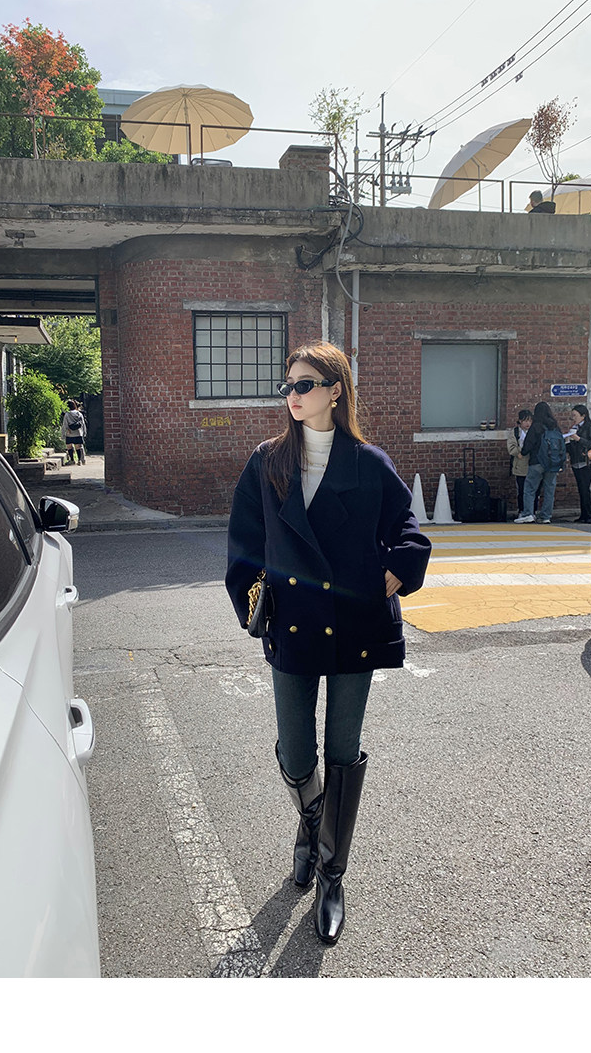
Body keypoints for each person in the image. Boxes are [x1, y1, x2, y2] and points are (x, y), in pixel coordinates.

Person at [225, 341, 431, 944]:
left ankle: (332, 874)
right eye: (287, 385)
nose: (292, 395)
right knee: (296, 753)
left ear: (335, 391)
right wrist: (252, 599)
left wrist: (399, 567)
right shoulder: (267, 461)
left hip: (354, 624)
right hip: (291, 622)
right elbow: (243, 541)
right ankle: (314, 831)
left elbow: (406, 526)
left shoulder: (368, 462)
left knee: (343, 751)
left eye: (304, 384)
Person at [514, 401, 565, 523]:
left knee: (530, 488)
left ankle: (528, 513)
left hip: (537, 462)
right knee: (549, 490)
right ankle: (546, 516)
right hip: (552, 463)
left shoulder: (536, 426)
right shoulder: (555, 427)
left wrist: (523, 453)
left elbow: (529, 444)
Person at [565, 403, 591, 522]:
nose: (573, 418)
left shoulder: (589, 428)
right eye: (572, 415)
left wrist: (578, 439)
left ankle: (589, 515)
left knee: (585, 488)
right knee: (581, 489)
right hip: (576, 461)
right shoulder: (574, 428)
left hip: (587, 462)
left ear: (583, 416)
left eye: (575, 415)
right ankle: (584, 515)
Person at [506, 409, 532, 517]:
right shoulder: (515, 432)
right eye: (525, 421)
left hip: (532, 464)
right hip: (520, 465)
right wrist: (519, 452)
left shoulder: (534, 431)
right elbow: (511, 448)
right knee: (521, 490)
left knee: (532, 490)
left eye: (529, 421)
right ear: (520, 421)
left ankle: (532, 510)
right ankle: (521, 510)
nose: (528, 423)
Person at [60, 398, 86, 465]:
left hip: (70, 433)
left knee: (69, 446)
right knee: (78, 447)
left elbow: (65, 424)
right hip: (78, 432)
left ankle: (72, 460)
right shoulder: (79, 414)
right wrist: (84, 432)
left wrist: (63, 434)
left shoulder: (67, 414)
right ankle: (79, 460)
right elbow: (82, 424)